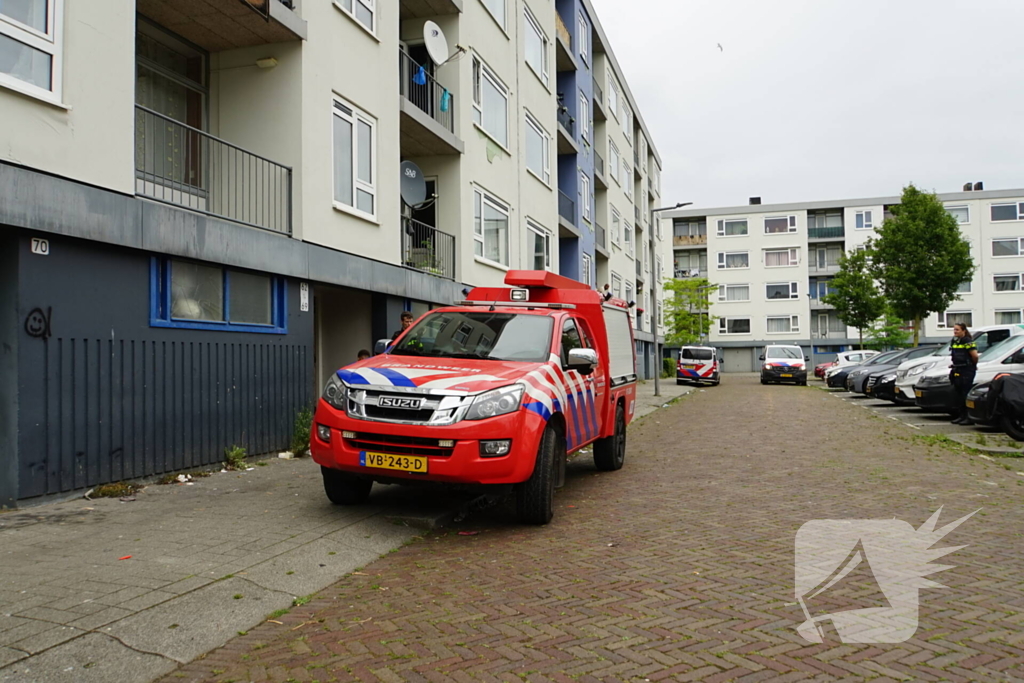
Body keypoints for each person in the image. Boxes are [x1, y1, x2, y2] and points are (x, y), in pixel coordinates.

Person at [950, 322, 980, 425]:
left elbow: (975, 356)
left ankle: (968, 417)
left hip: (966, 369)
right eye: (954, 329)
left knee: (965, 393)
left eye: (957, 329)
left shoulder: (968, 341)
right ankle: (961, 416)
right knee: (958, 394)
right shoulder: (955, 341)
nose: (955, 331)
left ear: (963, 330)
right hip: (958, 368)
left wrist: (972, 365)